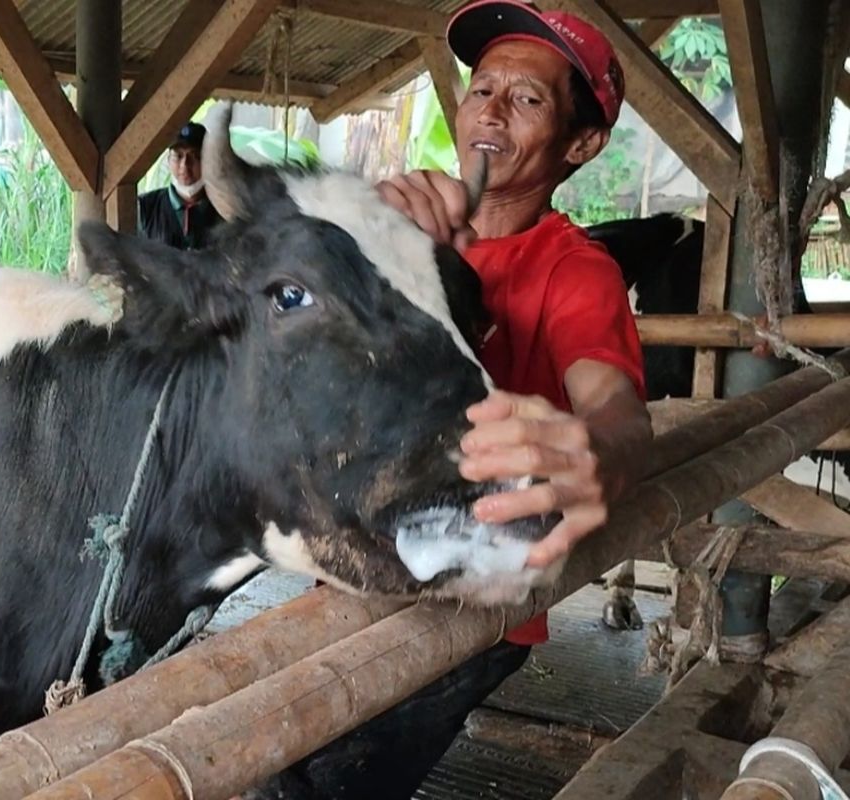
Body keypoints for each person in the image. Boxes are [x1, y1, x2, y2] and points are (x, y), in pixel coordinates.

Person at [245, 2, 653, 798]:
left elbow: (617, 416)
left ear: (581, 144)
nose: (492, 109)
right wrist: (363, 229)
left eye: (529, 99)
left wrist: (600, 455)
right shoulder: (392, 233)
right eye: (482, 87)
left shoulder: (575, 269)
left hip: (472, 593)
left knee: (317, 788)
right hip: (356, 568)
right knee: (267, 763)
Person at [137, 122, 225, 250]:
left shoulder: (223, 210)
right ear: (168, 161)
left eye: (195, 156)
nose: (185, 165)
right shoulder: (144, 209)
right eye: (178, 156)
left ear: (208, 161)